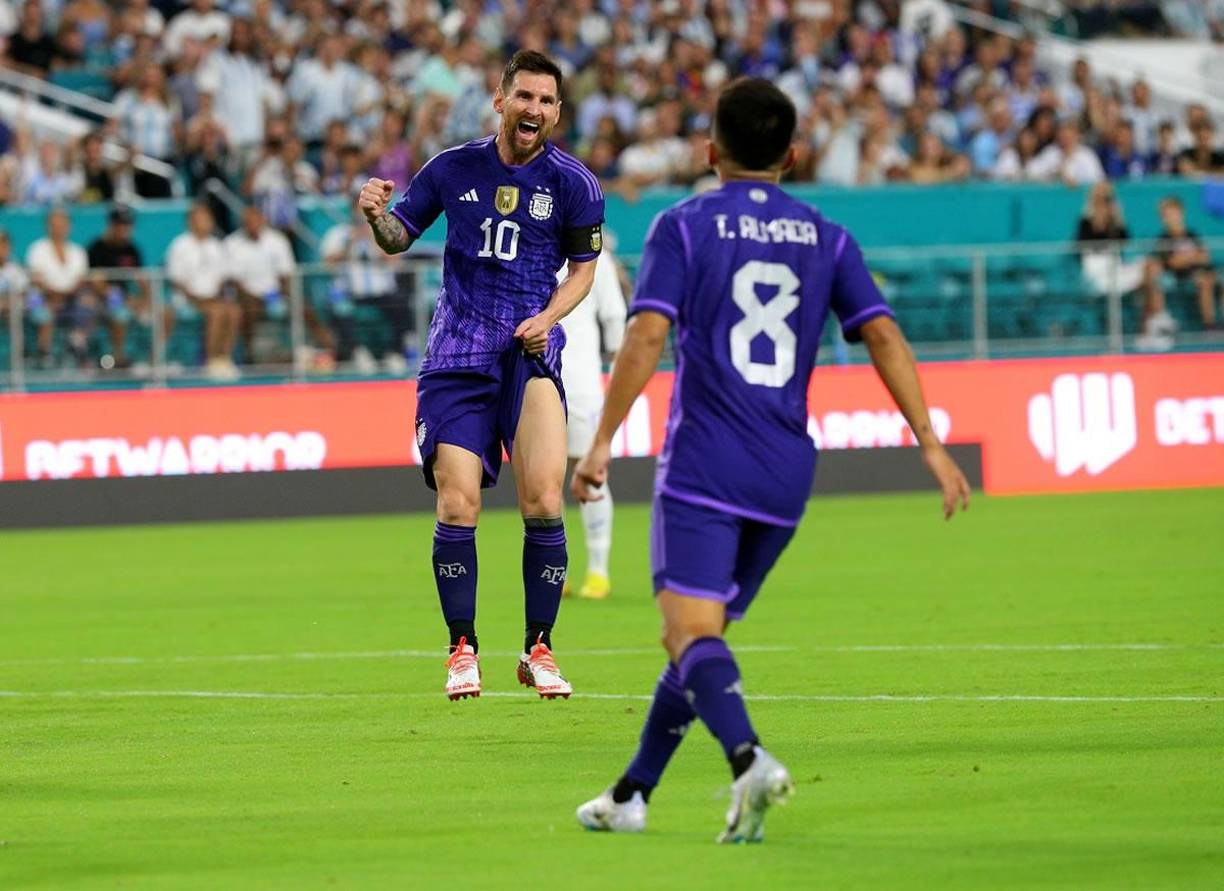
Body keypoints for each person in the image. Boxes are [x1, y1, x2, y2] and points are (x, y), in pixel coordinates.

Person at [570, 78, 970, 843]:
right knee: (700, 636)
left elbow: (648, 336)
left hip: (705, 463)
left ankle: (749, 758)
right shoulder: (828, 234)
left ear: (710, 150)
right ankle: (631, 793)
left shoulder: (681, 226)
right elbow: (882, 334)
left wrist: (601, 440)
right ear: (793, 154)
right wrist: (929, 439)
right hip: (787, 472)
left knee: (689, 635)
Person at [357, 50, 604, 701]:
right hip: (458, 358)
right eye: (525, 97)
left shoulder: (574, 184)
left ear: (557, 110)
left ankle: (539, 648)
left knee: (545, 499)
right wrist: (375, 214)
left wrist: (549, 316)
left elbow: (583, 268)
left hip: (529, 355)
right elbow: (396, 237)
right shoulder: (452, 167)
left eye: (547, 101)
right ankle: (462, 647)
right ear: (501, 100)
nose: (535, 110)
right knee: (458, 501)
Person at [558, 245, 625, 600]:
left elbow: (615, 319)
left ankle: (598, 570)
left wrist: (615, 381)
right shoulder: (532, 244)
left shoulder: (598, 258)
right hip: (538, 382)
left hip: (583, 385)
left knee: (591, 473)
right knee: (544, 480)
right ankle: (556, 570)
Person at [165, 203, 240, 379]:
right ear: (191, 222)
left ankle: (224, 358)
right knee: (216, 312)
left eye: (208, 219)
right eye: (200, 219)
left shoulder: (217, 245)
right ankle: (211, 360)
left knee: (234, 311)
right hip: (187, 300)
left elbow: (224, 277)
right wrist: (198, 299)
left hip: (213, 298)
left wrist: (220, 295)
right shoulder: (180, 245)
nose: (205, 223)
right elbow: (176, 281)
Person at [1143, 196, 1220, 341]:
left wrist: (1186, 258)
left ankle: (1214, 324)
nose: (1173, 218)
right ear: (1163, 218)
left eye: (1175, 213)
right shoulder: (1163, 239)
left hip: (1200, 273)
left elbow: (1205, 256)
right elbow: (1172, 262)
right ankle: (1208, 326)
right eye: (1168, 215)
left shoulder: (1191, 235)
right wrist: (1191, 257)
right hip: (1178, 277)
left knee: (1209, 279)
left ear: (1181, 213)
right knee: (1203, 281)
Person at [25, 208, 91, 367]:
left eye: (62, 224)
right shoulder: (37, 249)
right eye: (55, 224)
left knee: (89, 305)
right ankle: (44, 354)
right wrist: (54, 297)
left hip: (71, 301)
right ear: (48, 226)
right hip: (44, 300)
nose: (59, 228)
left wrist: (65, 297)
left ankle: (78, 348)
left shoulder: (78, 252)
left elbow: (81, 281)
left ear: (69, 226)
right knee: (42, 312)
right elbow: (37, 280)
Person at [86, 205, 150, 369]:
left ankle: (153, 361)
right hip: (101, 302)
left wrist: (145, 300)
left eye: (128, 224)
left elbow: (141, 279)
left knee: (164, 313)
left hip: (128, 300)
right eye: (120, 224)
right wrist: (127, 301)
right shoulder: (97, 248)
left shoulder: (132, 249)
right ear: (111, 225)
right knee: (119, 313)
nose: (124, 228)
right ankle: (119, 358)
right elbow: (98, 284)